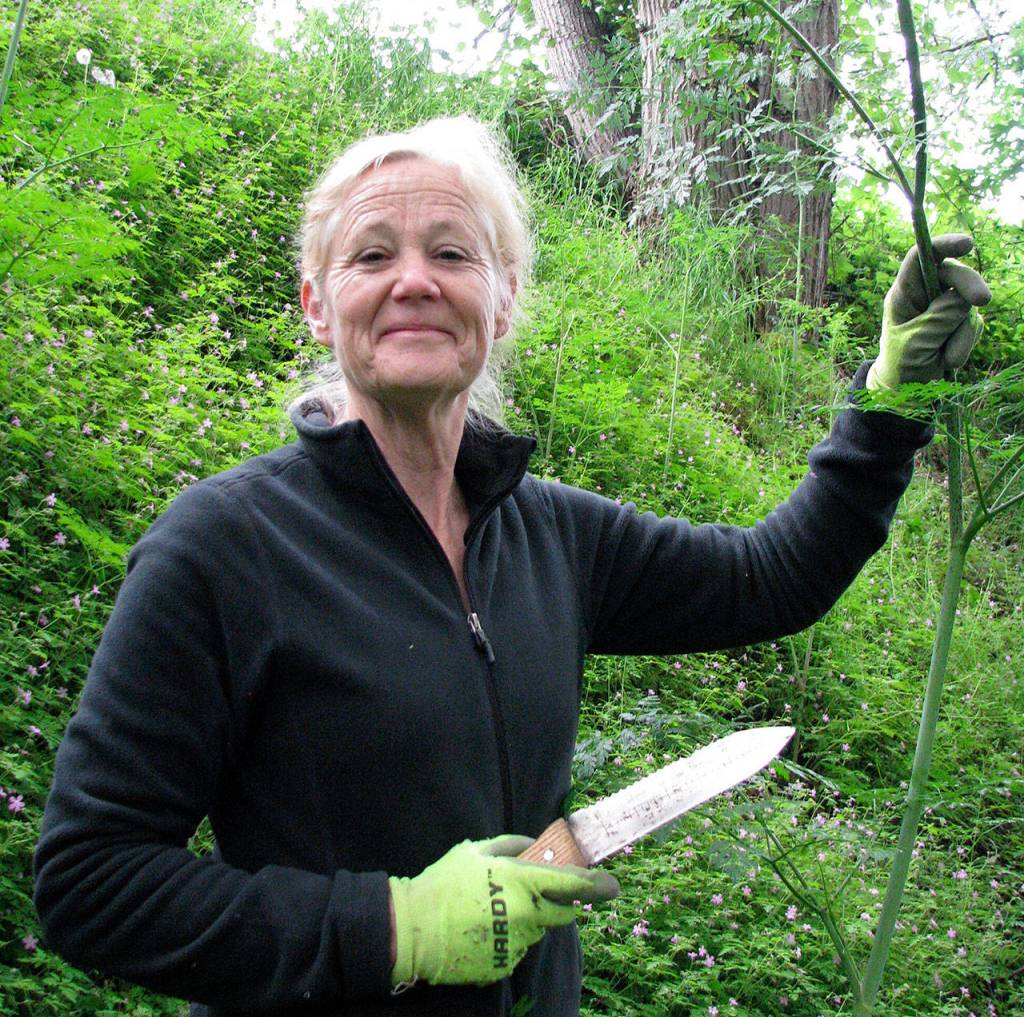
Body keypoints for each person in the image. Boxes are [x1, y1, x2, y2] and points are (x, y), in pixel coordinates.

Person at [34, 116, 991, 1017]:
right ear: (319, 307)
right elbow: (90, 881)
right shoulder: (226, 545)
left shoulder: (551, 533)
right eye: (372, 255)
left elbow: (769, 578)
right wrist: (394, 928)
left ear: (505, 296)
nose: (414, 280)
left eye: (452, 252)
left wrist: (889, 403)